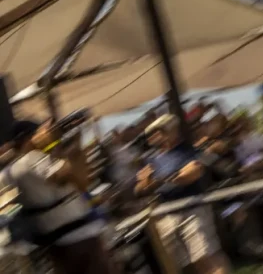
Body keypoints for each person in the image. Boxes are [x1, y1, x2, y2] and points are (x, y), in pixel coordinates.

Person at [1, 120, 116, 274]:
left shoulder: (7, 173)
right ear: (29, 138)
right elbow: (74, 178)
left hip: (54, 243)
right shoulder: (33, 159)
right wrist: (58, 145)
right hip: (80, 237)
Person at [135, 115, 230, 274]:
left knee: (206, 258)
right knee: (184, 266)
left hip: (192, 211)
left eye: (157, 132)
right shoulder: (153, 160)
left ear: (170, 131)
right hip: (166, 215)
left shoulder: (189, 151)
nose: (154, 137)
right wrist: (151, 181)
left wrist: (158, 179)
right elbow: (139, 188)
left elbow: (192, 172)